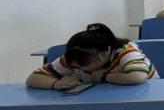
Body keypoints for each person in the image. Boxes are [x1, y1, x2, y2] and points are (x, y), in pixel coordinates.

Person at [27, 23, 156, 89]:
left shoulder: (126, 51)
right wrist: (55, 83)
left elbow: (138, 77)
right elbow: (33, 78)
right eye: (77, 65)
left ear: (106, 51)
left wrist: (104, 76)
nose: (82, 68)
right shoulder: (74, 58)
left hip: (148, 94)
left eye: (87, 63)